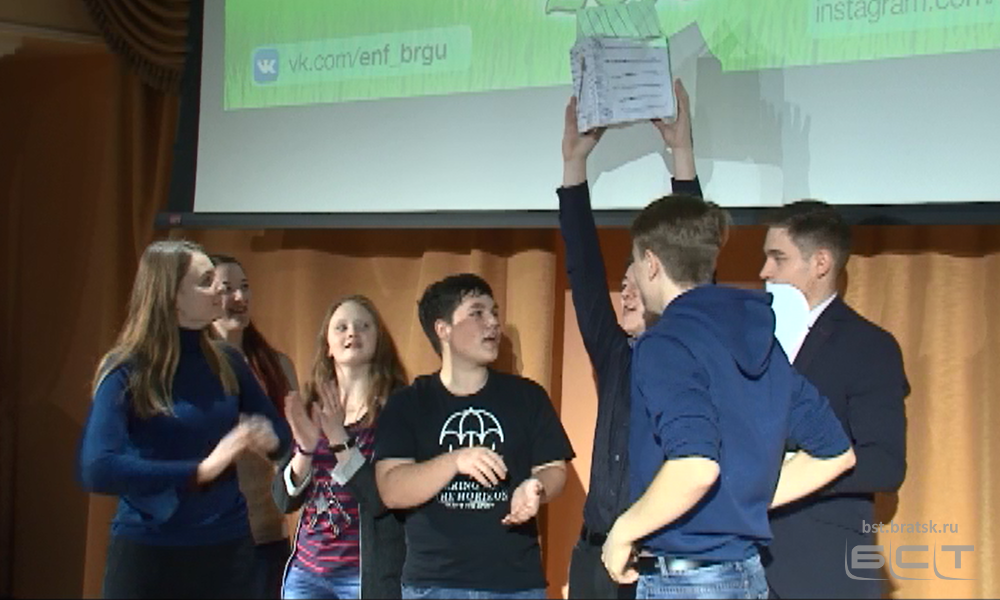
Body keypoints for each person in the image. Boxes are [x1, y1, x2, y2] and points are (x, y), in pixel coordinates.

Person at [600, 196, 857, 599]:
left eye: (634, 260)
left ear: (651, 263)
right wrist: (740, 501)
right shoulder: (758, 338)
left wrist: (622, 531)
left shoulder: (664, 343)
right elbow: (835, 452)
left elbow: (695, 465)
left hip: (686, 582)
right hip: (747, 576)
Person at [78, 240, 292, 599]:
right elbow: (97, 468)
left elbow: (279, 438)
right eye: (206, 281)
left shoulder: (227, 361)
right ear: (172, 295)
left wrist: (272, 438)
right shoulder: (126, 369)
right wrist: (199, 471)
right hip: (149, 554)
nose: (219, 290)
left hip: (228, 552)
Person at [559, 79, 703, 599]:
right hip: (594, 559)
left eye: (636, 282)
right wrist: (574, 165)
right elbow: (583, 267)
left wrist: (681, 154)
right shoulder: (616, 356)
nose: (625, 292)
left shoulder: (689, 350)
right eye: (620, 285)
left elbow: (691, 259)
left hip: (658, 566)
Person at [373, 274, 575, 599]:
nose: (493, 323)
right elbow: (392, 490)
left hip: (515, 583)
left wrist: (536, 487)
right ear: (443, 329)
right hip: (434, 584)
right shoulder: (408, 403)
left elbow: (554, 469)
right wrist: (456, 460)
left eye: (494, 313)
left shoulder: (527, 397)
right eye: (477, 313)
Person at [759, 201, 909, 599]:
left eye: (778, 258)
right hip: (742, 571)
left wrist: (793, 473)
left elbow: (884, 464)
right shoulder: (751, 339)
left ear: (821, 263)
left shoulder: (868, 346)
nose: (764, 271)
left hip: (823, 572)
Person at [273, 295, 408, 599]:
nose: (352, 333)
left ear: (379, 341)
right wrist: (305, 451)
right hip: (307, 573)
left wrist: (338, 437)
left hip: (363, 576)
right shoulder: (311, 405)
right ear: (327, 346)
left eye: (363, 326)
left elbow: (380, 500)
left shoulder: (397, 407)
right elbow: (283, 500)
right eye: (342, 327)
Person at [210, 254, 299, 599]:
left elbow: (295, 447)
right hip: (207, 536)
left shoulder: (276, 365)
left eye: (245, 287)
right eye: (227, 288)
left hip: (266, 534)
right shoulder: (190, 367)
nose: (239, 297)